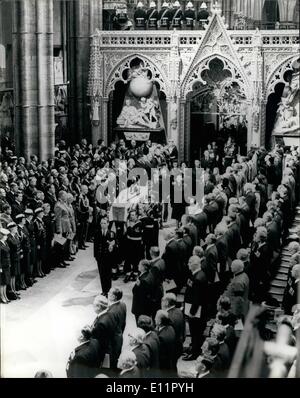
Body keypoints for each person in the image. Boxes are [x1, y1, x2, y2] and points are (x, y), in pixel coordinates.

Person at [183, 255, 209, 360]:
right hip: (195, 308)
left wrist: (192, 312)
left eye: (189, 262)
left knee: (195, 332)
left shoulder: (198, 278)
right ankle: (194, 349)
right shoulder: (197, 275)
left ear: (195, 264)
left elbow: (197, 298)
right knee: (195, 332)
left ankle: (195, 353)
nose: (188, 264)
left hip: (196, 311)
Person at [94, 216, 116, 297]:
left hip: (108, 257)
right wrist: (95, 256)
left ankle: (108, 291)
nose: (102, 225)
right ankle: (104, 291)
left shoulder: (111, 233)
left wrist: (112, 247)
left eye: (104, 223)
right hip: (100, 257)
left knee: (108, 274)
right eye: (101, 223)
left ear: (108, 224)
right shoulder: (97, 233)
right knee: (102, 274)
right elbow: (95, 246)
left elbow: (114, 244)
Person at [90, 295, 115, 367]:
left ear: (99, 307)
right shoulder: (109, 314)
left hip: (103, 352)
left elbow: (98, 342)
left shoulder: (101, 323)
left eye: (94, 305)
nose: (93, 307)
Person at [161, 293, 185, 363]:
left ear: (166, 303)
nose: (161, 303)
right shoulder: (179, 311)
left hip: (171, 348)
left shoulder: (167, 316)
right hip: (179, 345)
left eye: (162, 301)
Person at [107, 287, 127, 369]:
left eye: (110, 292)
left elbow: (109, 330)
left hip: (112, 341)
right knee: (116, 357)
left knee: (111, 360)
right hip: (119, 336)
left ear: (114, 297)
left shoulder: (110, 312)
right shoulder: (123, 304)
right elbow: (123, 323)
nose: (108, 293)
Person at [155, 310, 176, 375]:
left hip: (164, 366)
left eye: (156, 317)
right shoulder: (170, 328)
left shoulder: (161, 337)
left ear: (160, 322)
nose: (154, 319)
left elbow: (160, 355)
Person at [7, 221, 21, 298]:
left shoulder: (15, 236)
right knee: (12, 275)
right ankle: (12, 290)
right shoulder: (9, 238)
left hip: (16, 258)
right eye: (15, 227)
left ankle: (14, 290)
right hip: (12, 259)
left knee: (14, 275)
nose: (16, 229)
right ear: (11, 228)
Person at [0, 228, 11, 303]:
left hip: (6, 265)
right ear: (2, 236)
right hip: (2, 266)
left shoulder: (5, 243)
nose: (7, 237)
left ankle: (5, 295)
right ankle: (2, 296)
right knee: (2, 282)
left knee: (6, 281)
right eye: (5, 235)